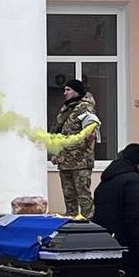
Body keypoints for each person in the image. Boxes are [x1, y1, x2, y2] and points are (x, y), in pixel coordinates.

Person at [91, 142, 139, 277]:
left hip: (107, 249)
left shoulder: (106, 182)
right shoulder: (133, 182)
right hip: (128, 251)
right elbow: (138, 221)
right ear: (138, 162)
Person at [51, 78, 101, 217]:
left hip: (81, 161)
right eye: (64, 90)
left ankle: (89, 224)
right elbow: (60, 133)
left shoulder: (85, 108)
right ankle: (71, 223)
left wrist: (67, 151)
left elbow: (88, 133)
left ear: (76, 91)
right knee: (69, 195)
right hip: (65, 161)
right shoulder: (67, 108)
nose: (64, 93)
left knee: (83, 195)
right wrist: (56, 153)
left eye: (68, 90)